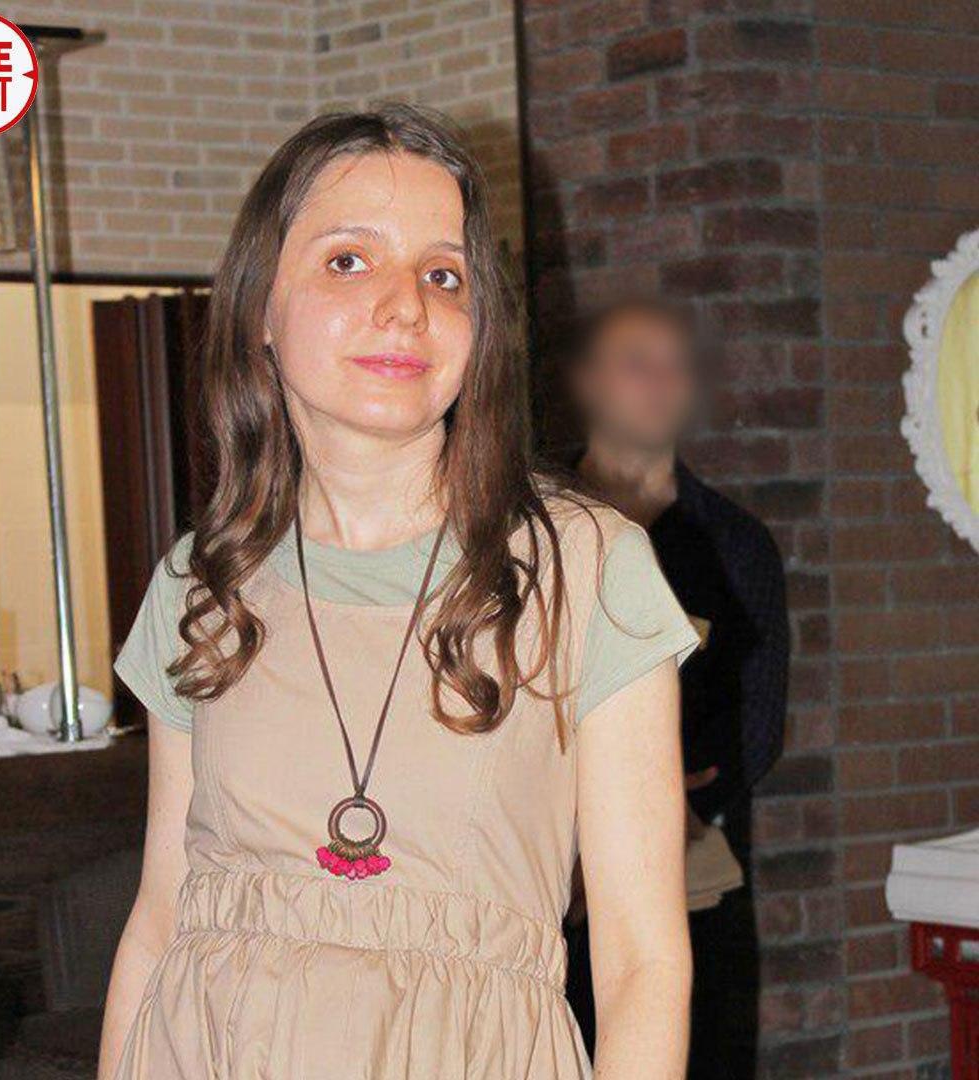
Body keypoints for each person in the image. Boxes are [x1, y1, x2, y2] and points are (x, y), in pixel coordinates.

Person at [97, 104, 702, 1080]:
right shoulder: (200, 582)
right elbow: (161, 918)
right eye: (348, 260)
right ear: (259, 309)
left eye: (442, 274)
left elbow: (642, 966)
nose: (405, 306)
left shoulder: (590, 570)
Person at [560, 296, 790, 1078]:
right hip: (543, 882)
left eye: (676, 365)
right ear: (587, 381)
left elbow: (757, 721)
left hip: (693, 873)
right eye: (636, 362)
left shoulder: (735, 542)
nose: (661, 381)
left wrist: (657, 806)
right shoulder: (535, 524)